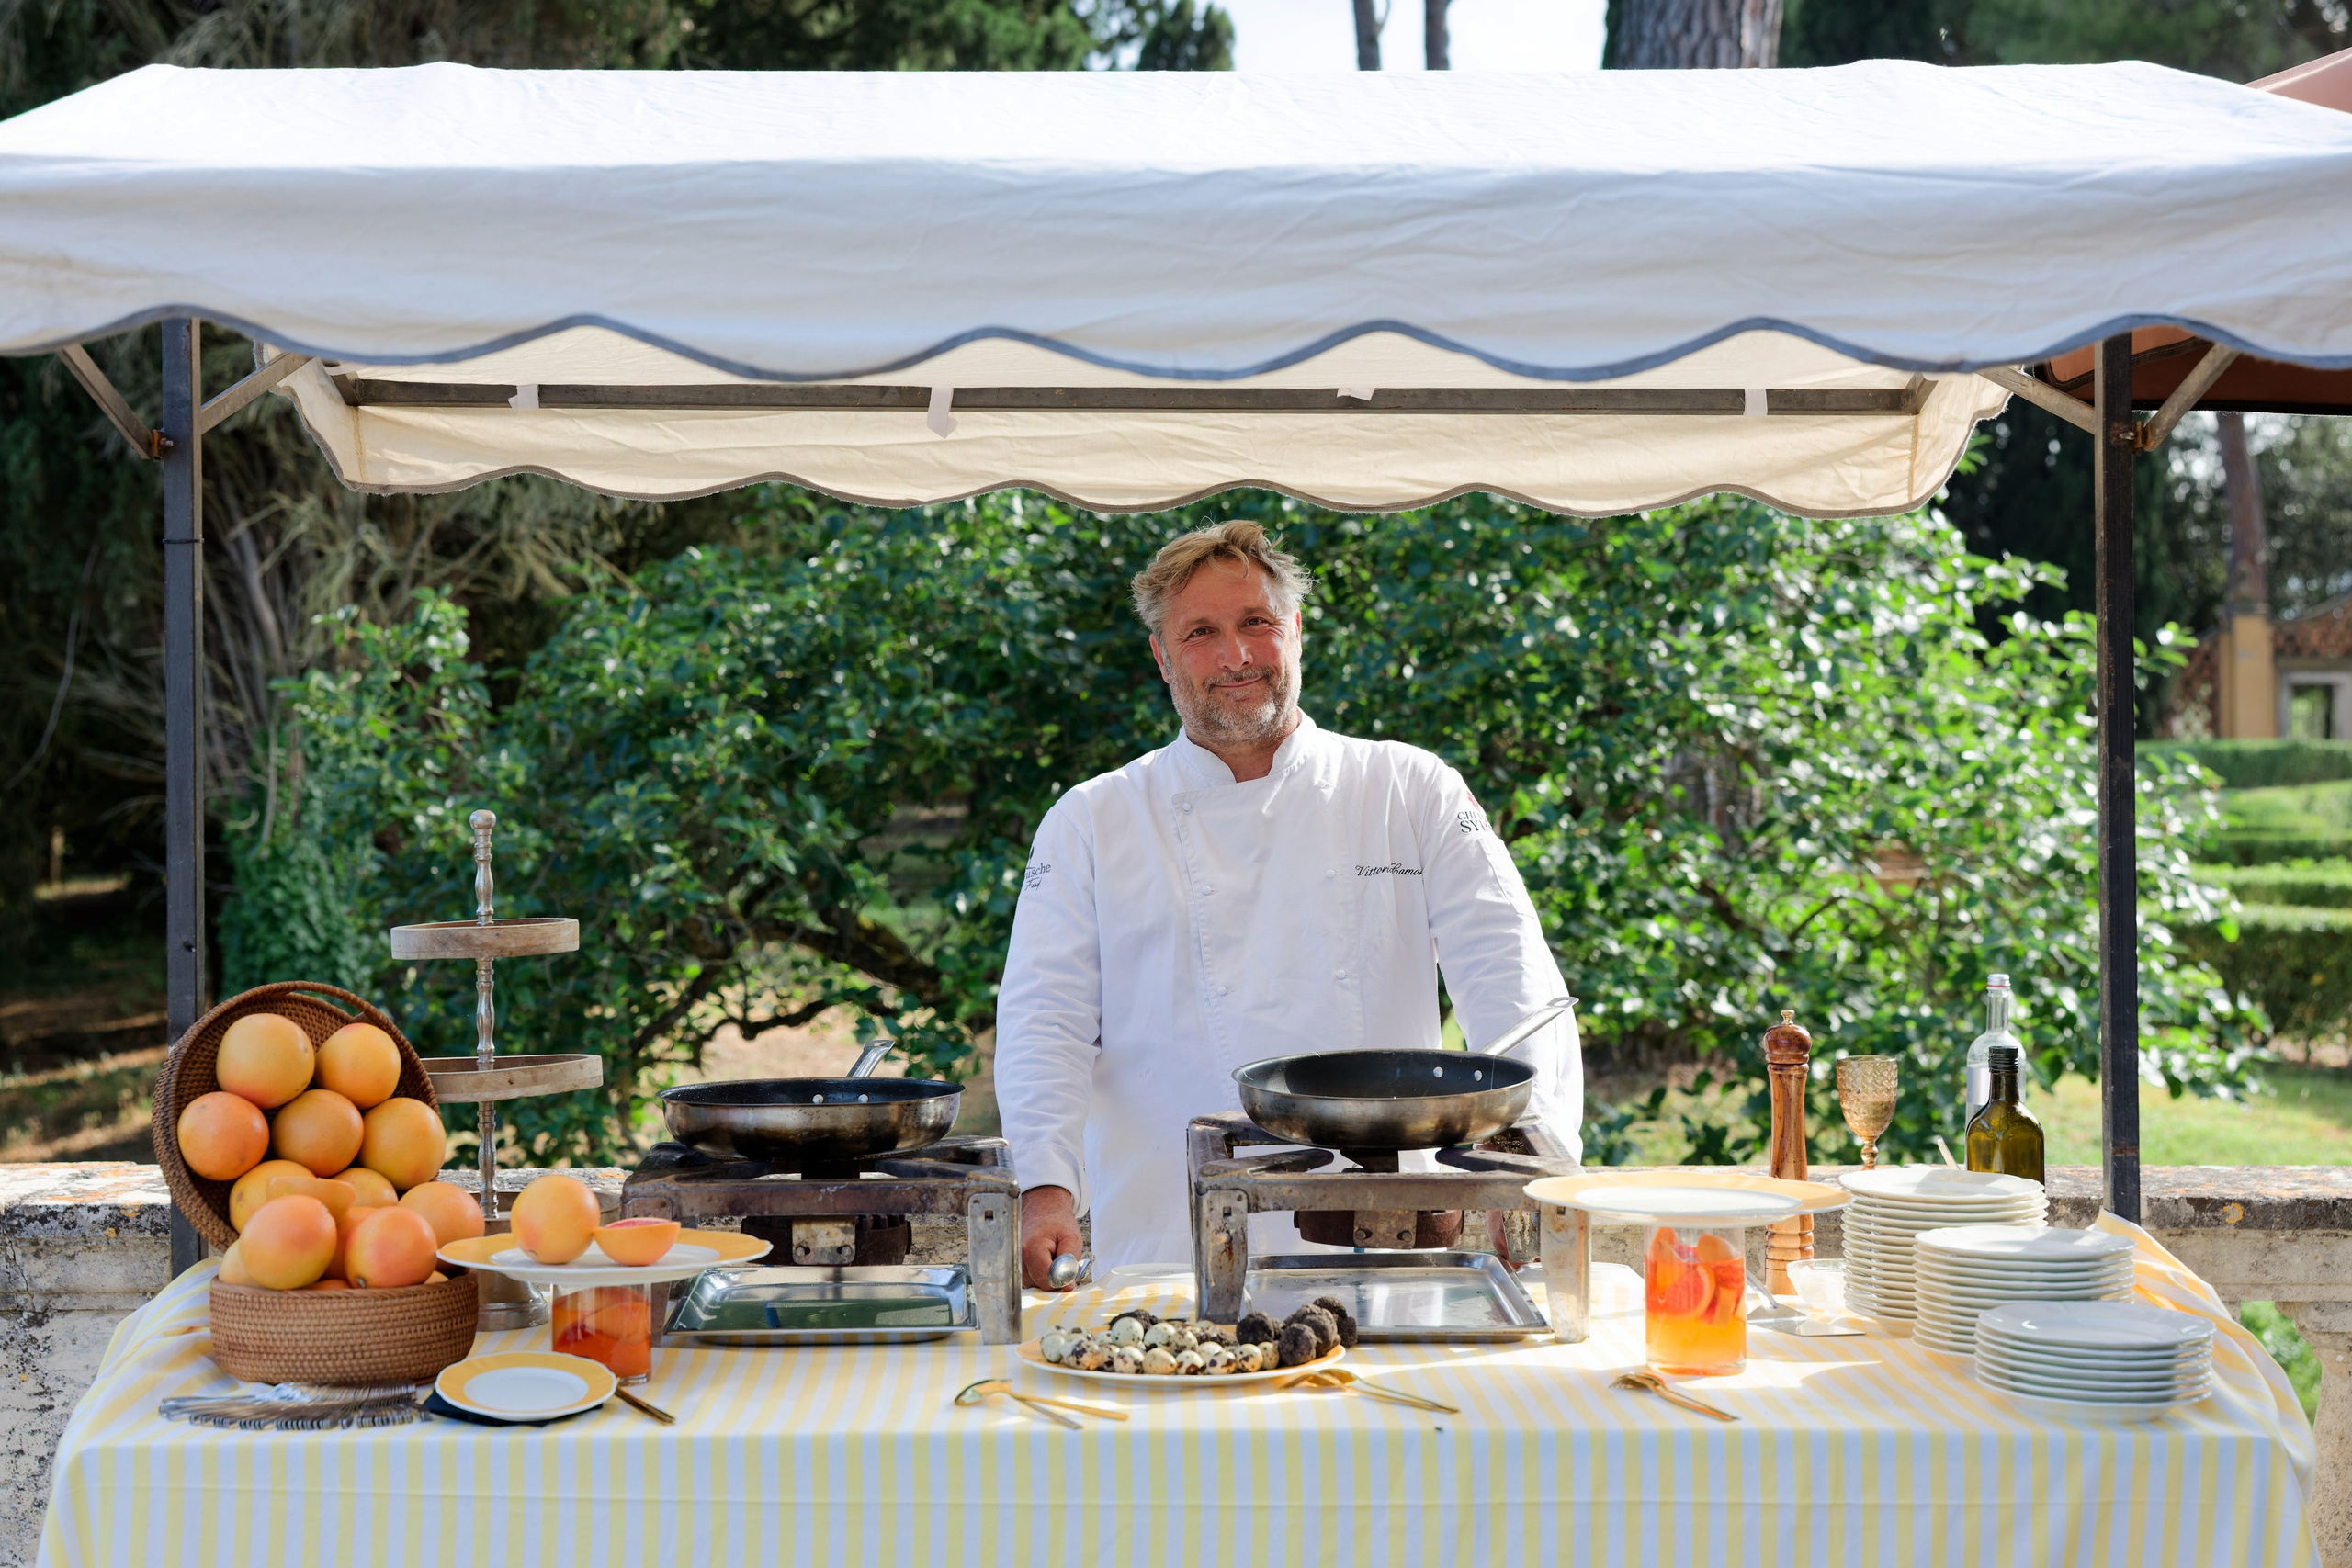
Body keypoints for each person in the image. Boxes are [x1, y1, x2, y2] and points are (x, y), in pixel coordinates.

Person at [994, 521, 1582, 1288]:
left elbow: (1514, 983)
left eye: (1256, 623)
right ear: (1162, 657)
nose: (1235, 656)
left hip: (1382, 1238)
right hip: (1170, 1245)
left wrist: (1525, 1162)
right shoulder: (1092, 818)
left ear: (1296, 631)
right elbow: (1046, 1019)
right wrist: (1045, 1186)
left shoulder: (1408, 787)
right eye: (1201, 632)